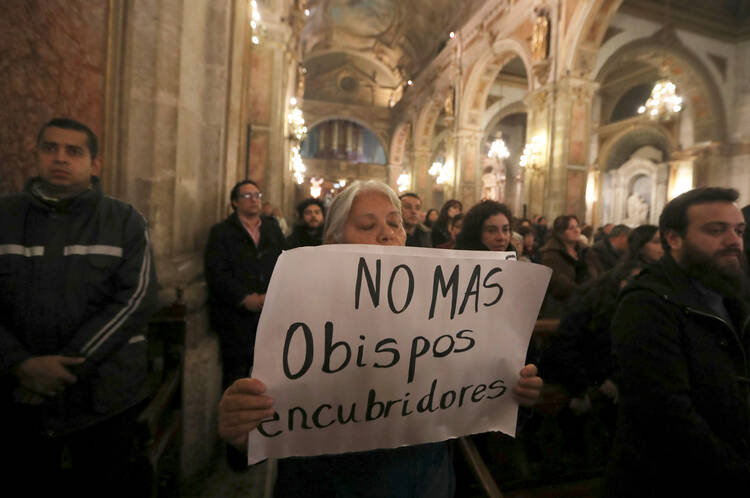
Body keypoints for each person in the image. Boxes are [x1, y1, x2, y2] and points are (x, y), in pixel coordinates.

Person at [217, 180, 543, 497]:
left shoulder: (442, 309)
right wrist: (242, 429)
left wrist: (514, 393)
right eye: (367, 225)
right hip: (326, 484)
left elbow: (474, 395)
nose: (386, 233)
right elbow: (262, 419)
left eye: (394, 223)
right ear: (333, 240)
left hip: (423, 481)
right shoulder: (297, 311)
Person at [0, 118, 158, 496]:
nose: (60, 158)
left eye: (74, 151)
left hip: (104, 398)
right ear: (35, 155)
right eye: (50, 148)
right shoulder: (5, 217)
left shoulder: (123, 221)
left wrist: (64, 367)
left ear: (94, 164)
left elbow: (136, 297)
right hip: (19, 398)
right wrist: (18, 363)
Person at [606, 187, 750, 497]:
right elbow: (667, 417)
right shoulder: (646, 304)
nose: (733, 241)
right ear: (673, 238)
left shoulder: (729, 295)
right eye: (716, 230)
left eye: (738, 230)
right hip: (670, 480)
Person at [204, 179, 285, 388]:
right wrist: (244, 298)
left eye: (257, 195)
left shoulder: (272, 230)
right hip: (236, 318)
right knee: (237, 379)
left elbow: (284, 263)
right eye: (247, 196)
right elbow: (217, 273)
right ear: (235, 202)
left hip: (269, 316)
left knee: (268, 378)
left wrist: (274, 295)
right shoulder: (221, 232)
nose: (254, 200)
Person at [539, 215, 604, 317]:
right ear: (560, 232)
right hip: (563, 306)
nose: (577, 230)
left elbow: (600, 272)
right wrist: (584, 292)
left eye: (577, 226)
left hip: (590, 303)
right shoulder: (550, 254)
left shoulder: (586, 250)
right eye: (571, 228)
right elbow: (558, 283)